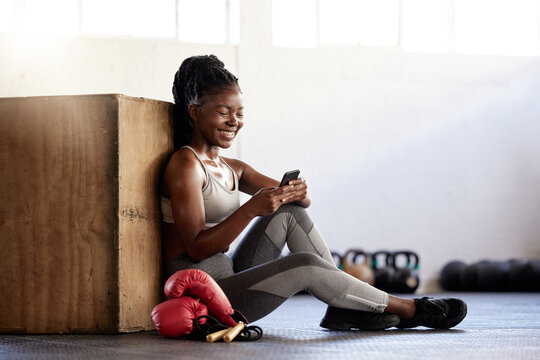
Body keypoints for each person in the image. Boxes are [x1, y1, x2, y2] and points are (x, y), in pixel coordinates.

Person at [160, 54, 467, 330]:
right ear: (195, 112)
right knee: (303, 263)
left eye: (239, 113)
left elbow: (300, 203)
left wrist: (296, 191)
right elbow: (197, 248)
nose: (234, 122)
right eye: (223, 112)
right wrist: (251, 208)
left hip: (230, 276)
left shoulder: (232, 167)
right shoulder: (185, 164)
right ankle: (411, 310)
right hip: (209, 300)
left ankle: (343, 308)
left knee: (289, 214)